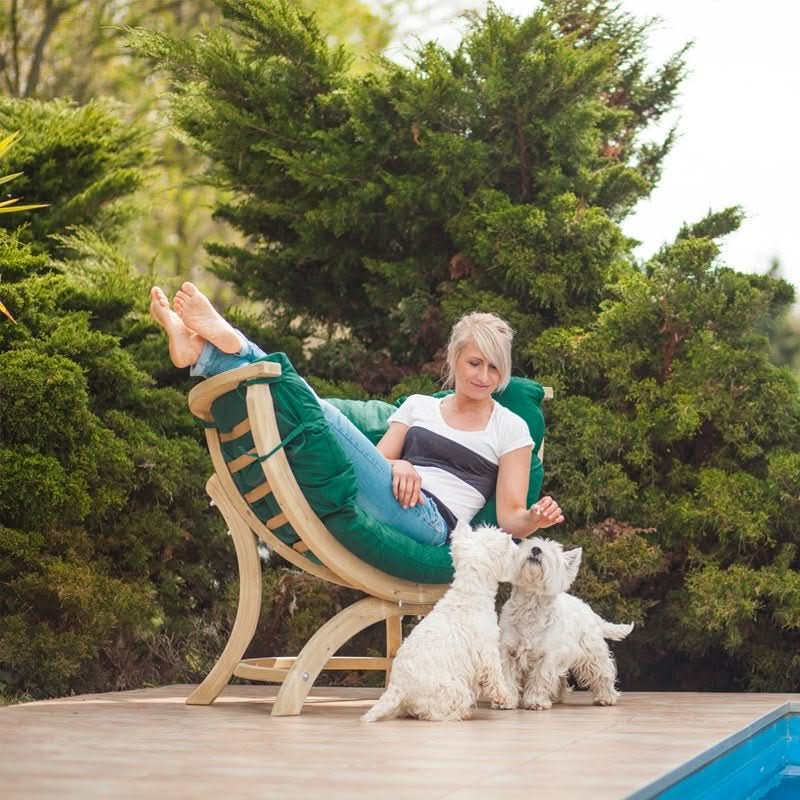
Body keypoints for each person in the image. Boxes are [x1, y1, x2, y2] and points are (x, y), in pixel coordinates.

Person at [150, 282, 564, 546]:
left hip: (431, 522)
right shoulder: (419, 406)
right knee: (314, 414)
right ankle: (206, 351)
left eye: (494, 368)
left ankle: (226, 349)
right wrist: (400, 464)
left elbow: (510, 517)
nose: (484, 376)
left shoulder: (510, 427)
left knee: (318, 414)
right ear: (455, 359)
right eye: (475, 363)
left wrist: (534, 518)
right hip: (384, 497)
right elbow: (374, 464)